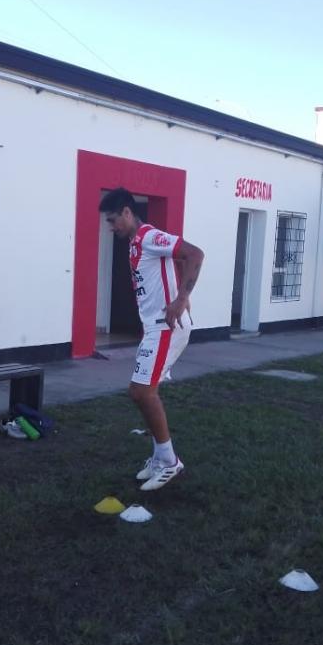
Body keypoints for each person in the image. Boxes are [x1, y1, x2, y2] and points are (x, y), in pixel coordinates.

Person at [100, 188, 205, 491]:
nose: (111, 226)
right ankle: (162, 456)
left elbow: (194, 254)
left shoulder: (148, 236)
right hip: (155, 327)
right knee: (141, 392)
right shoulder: (134, 244)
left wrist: (181, 297)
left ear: (127, 213)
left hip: (166, 325)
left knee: (142, 392)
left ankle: (170, 462)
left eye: (113, 220)